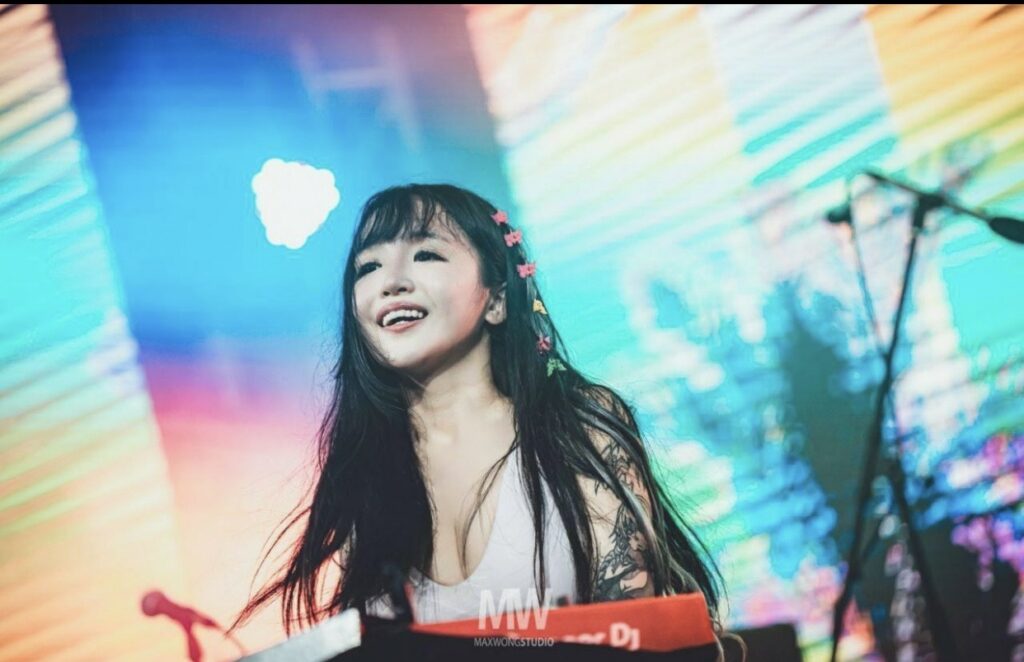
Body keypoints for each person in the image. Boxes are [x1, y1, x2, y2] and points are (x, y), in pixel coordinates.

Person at [228, 184, 722, 636]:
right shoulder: (369, 470)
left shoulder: (575, 428)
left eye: (425, 254)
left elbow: (635, 632)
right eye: (368, 267)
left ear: (497, 300)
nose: (390, 282)